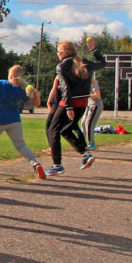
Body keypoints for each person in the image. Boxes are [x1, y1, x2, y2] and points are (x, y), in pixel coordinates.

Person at [45, 39, 107, 176]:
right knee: (65, 130)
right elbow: (102, 64)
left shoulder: (62, 66)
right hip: (83, 103)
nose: (57, 54)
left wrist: (68, 108)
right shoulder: (84, 62)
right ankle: (85, 154)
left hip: (69, 103)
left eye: (58, 52)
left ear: (63, 53)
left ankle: (57, 165)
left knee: (53, 130)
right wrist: (94, 50)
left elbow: (66, 88)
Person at [0, 66, 45, 179]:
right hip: (15, 120)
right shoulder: (20, 91)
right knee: (21, 145)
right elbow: (36, 103)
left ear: (10, 76)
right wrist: (35, 92)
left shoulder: (1, 83)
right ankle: (35, 164)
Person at [80, 75, 105, 150]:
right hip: (89, 105)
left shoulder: (93, 83)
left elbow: (97, 95)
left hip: (96, 105)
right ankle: (82, 142)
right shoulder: (83, 84)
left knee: (89, 124)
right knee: (83, 123)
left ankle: (91, 144)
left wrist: (85, 95)